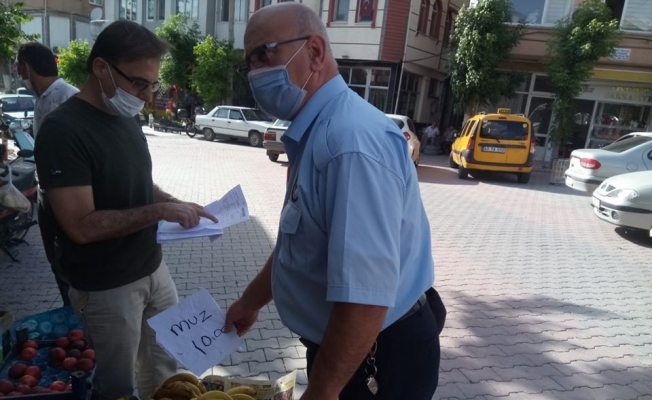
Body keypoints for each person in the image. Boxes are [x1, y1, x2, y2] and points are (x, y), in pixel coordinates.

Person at [226, 3, 444, 400]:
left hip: (375, 358)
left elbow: (365, 297)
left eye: (264, 54)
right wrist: (250, 301)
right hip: (348, 351)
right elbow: (301, 245)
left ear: (314, 52)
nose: (255, 71)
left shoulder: (349, 144)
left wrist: (323, 390)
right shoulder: (320, 131)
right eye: (249, 62)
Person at [34, 21, 218, 399]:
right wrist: (159, 212)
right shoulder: (62, 131)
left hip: (153, 268)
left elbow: (135, 183)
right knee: (117, 386)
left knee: (169, 375)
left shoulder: (124, 115)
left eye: (153, 85)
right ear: (101, 68)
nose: (148, 96)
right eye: (139, 83)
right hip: (106, 287)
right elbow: (81, 225)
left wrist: (173, 203)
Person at [17, 42, 80, 306]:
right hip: (47, 192)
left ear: (26, 68)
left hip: (68, 196)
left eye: (18, 68)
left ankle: (81, 315)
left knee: (69, 261)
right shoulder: (42, 100)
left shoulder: (68, 97)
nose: (19, 74)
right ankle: (70, 310)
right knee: (56, 259)